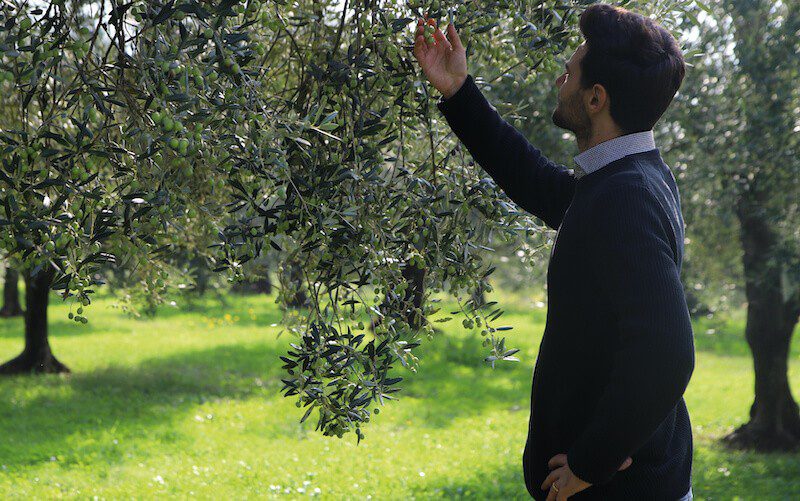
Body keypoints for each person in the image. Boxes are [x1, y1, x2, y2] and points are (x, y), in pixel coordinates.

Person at [413, 3, 695, 500]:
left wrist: (593, 463)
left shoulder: (625, 195)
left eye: (570, 71)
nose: (560, 77)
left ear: (595, 98)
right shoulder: (625, 178)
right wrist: (458, 91)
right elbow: (535, 181)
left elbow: (668, 352)